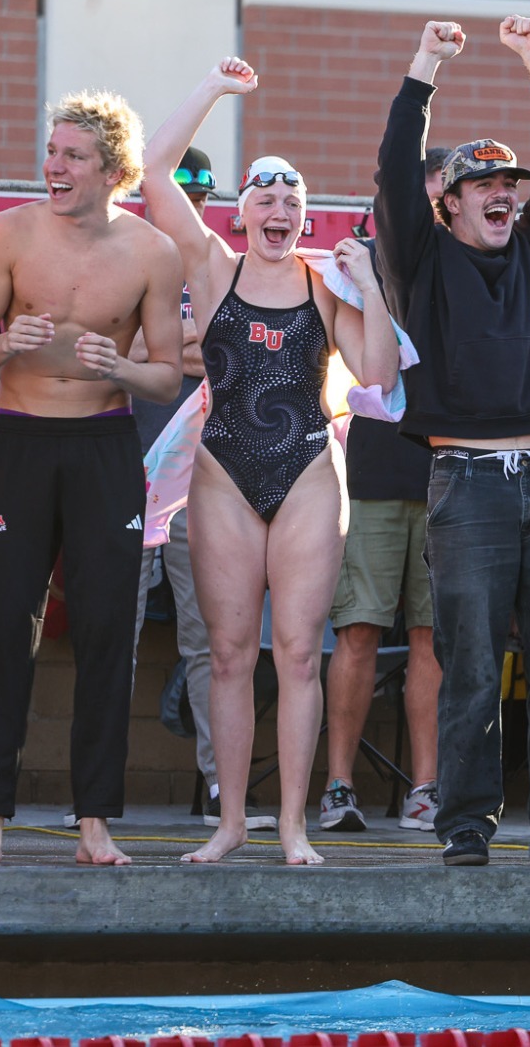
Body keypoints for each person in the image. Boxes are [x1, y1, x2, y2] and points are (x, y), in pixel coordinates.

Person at [141, 58, 399, 865]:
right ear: (244, 210)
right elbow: (152, 172)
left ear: (304, 217)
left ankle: (291, 824)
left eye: (293, 200)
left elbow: (382, 377)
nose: (280, 209)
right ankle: (229, 824)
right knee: (226, 653)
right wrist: (213, 93)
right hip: (222, 473)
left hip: (309, 474)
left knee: (296, 653)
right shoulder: (213, 273)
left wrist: (372, 289)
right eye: (266, 197)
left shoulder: (326, 288)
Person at [375, 17, 530, 867]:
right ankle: (466, 825)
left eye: (510, 180)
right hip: (465, 483)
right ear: (450, 202)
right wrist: (425, 65)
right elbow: (396, 167)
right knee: (470, 664)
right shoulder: (420, 259)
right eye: (484, 182)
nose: (504, 191)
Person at [0, 89, 185, 866]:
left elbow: (164, 378)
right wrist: (6, 342)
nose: (53, 166)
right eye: (51, 152)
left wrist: (119, 364)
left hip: (104, 447)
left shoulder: (154, 252)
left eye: (72, 156)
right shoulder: (9, 232)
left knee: (103, 631)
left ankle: (95, 821)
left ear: (113, 170)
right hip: (19, 441)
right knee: (1, 626)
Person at [128, 145, 270, 832]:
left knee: (210, 643)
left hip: (202, 482)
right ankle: (92, 792)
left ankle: (222, 789)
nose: (191, 199)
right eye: (178, 187)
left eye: (201, 190)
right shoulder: (130, 257)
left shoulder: (226, 266)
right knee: (109, 637)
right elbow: (123, 355)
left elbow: (227, 348)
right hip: (127, 475)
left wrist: (173, 341)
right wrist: (188, 339)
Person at [320, 147, 449, 835]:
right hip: (374, 471)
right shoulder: (355, 261)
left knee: (433, 639)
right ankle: (338, 786)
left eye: (441, 197)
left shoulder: (466, 260)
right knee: (359, 629)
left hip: (449, 471)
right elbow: (363, 370)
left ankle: (425, 789)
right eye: (425, 194)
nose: (433, 209)